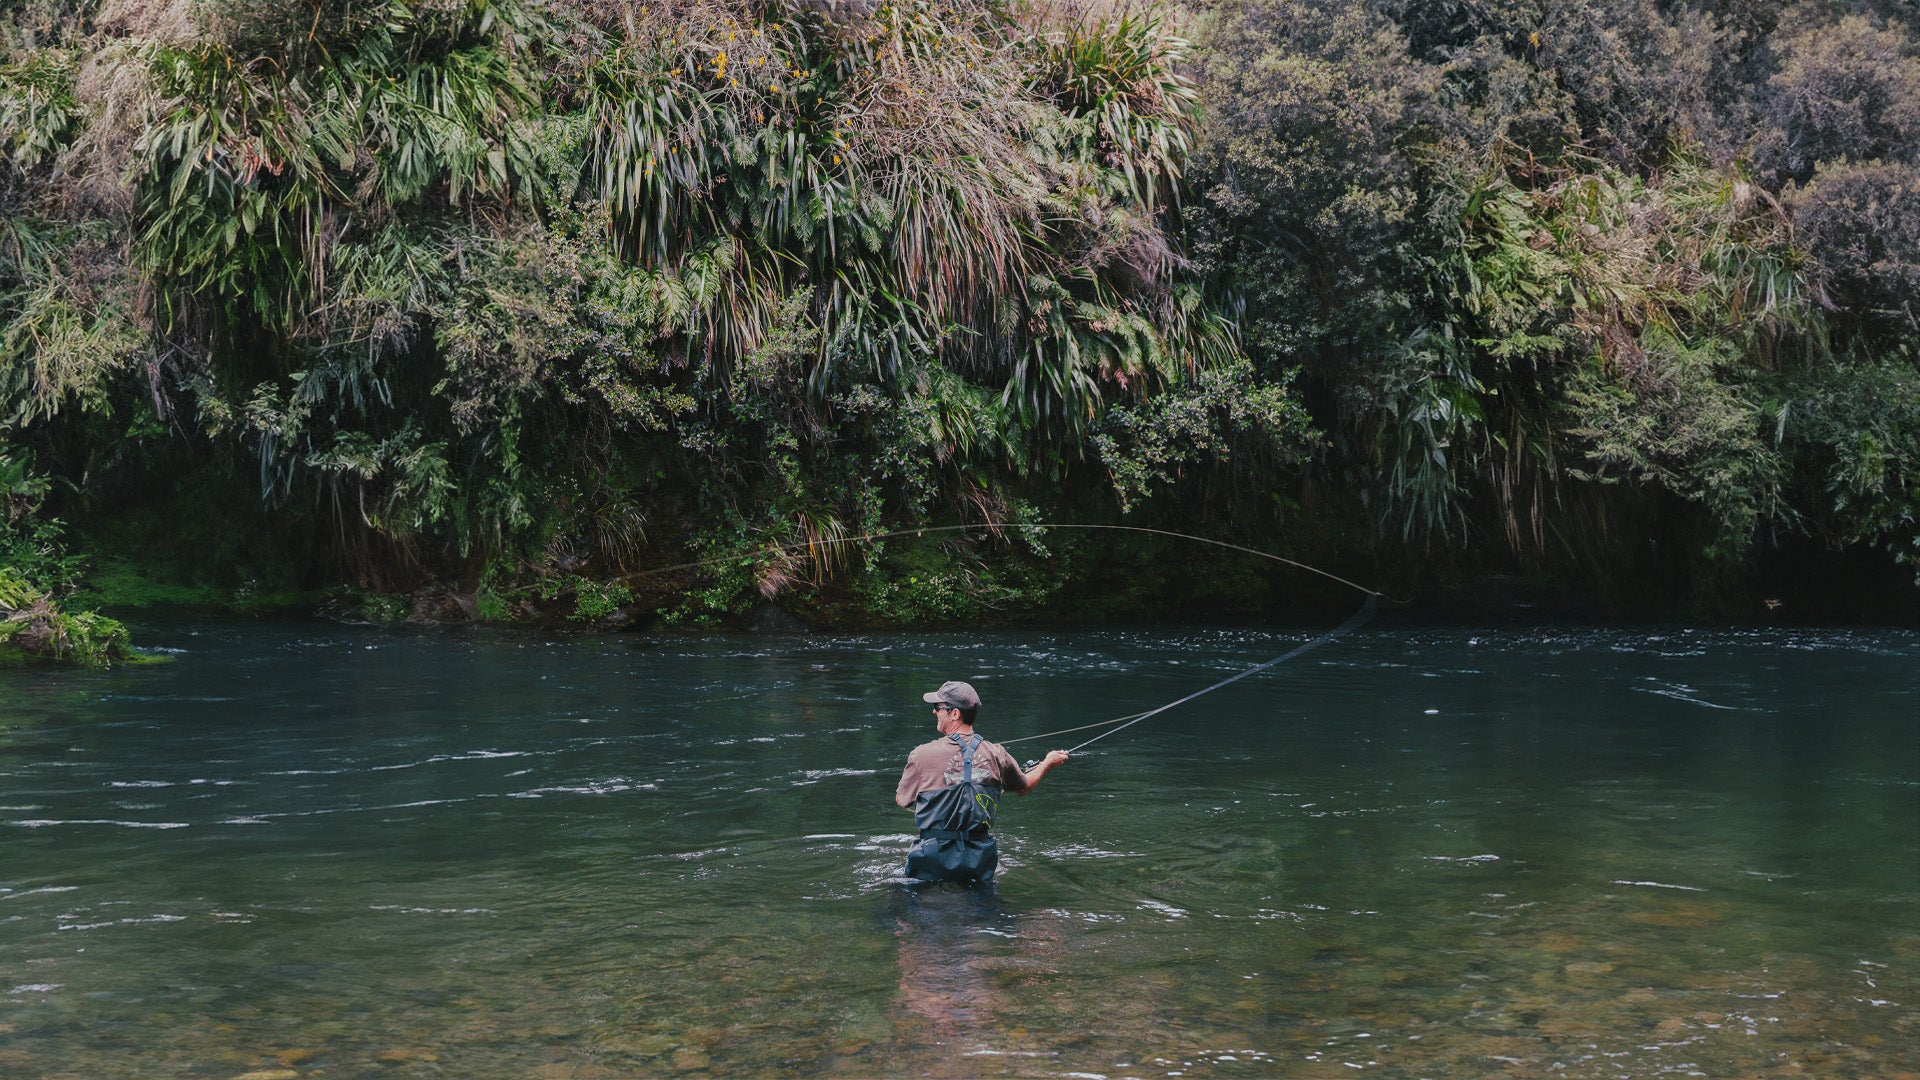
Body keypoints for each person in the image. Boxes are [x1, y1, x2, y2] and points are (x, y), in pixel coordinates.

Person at [894, 680, 1069, 885]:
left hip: (932, 859)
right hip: (978, 860)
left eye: (938, 707)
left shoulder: (921, 755)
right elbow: (1024, 787)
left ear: (955, 714)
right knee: (983, 914)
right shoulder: (997, 754)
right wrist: (1047, 763)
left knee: (907, 914)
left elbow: (901, 800)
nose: (934, 712)